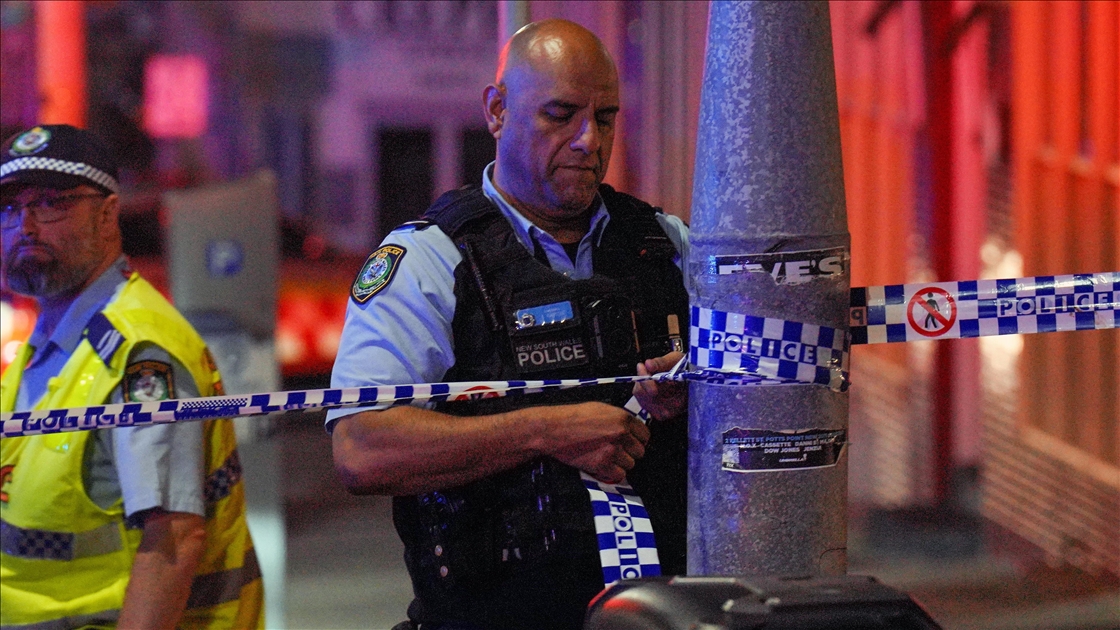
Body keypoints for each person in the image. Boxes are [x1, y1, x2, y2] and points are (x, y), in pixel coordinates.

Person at [329, 20, 690, 630]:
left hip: (655, 612)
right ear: (497, 111)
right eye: (560, 115)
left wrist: (690, 396)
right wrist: (542, 431)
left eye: (605, 118)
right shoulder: (429, 263)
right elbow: (361, 448)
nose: (588, 141)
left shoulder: (668, 245)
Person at [0, 125, 264, 629]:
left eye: (50, 203)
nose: (24, 226)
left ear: (107, 215)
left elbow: (173, 540)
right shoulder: (54, 336)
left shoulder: (141, 355)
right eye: (10, 208)